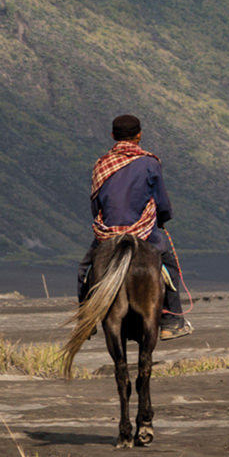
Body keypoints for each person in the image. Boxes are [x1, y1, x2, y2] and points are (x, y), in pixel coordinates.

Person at [79, 113, 192, 339]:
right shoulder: (150, 163)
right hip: (143, 232)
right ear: (139, 135)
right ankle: (172, 321)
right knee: (169, 265)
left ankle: (86, 320)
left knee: (86, 269)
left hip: (108, 232)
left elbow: (96, 203)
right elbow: (161, 200)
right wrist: (163, 218)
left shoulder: (101, 164)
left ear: (113, 135)